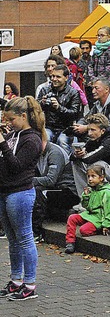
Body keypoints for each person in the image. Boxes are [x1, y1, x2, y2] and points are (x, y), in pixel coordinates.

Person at [0, 96, 46, 301]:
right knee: (13, 240)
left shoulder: (32, 139)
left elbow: (17, 165)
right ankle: (16, 280)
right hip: (5, 190)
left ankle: (29, 284)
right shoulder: (14, 134)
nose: (8, 123)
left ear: (23, 116)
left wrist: (2, 143)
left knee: (25, 238)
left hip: (20, 192)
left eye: (11, 119)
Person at [32, 135, 78, 241]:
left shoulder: (54, 153)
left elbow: (50, 180)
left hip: (67, 192)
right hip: (54, 188)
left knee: (38, 191)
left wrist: (28, 180)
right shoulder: (37, 153)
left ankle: (37, 232)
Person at [64, 163, 110, 254]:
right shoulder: (91, 189)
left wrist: (106, 225)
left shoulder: (107, 192)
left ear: (101, 178)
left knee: (83, 230)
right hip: (89, 215)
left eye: (93, 176)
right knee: (72, 218)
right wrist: (86, 196)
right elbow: (85, 205)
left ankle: (98, 230)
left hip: (99, 218)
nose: (90, 179)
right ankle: (70, 242)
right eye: (88, 176)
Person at [69, 113, 110, 198]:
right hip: (103, 172)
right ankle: (85, 197)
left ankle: (102, 198)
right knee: (76, 162)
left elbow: (91, 158)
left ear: (102, 131)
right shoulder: (94, 139)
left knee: (97, 165)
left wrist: (82, 155)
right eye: (89, 130)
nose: (89, 133)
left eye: (93, 130)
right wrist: (76, 154)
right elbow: (72, 157)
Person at [38, 63, 82, 154]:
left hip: (65, 128)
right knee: (46, 141)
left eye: (58, 77)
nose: (54, 79)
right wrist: (41, 103)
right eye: (53, 76)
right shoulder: (45, 90)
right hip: (48, 126)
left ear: (66, 78)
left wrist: (59, 108)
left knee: (63, 141)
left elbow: (75, 114)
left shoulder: (73, 93)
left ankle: (66, 166)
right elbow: (35, 109)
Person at [77, 40, 94, 106]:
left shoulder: (94, 60)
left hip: (92, 88)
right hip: (80, 87)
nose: (85, 50)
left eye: (87, 48)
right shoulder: (77, 61)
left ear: (90, 49)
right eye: (83, 48)